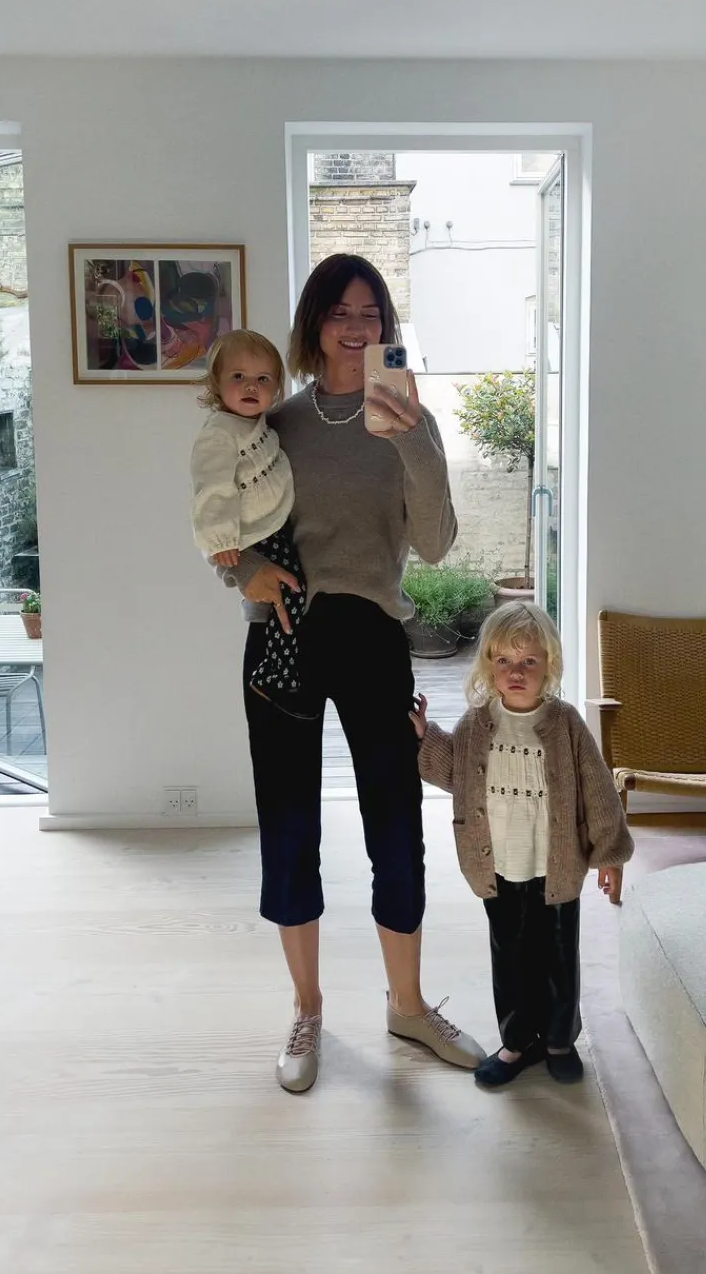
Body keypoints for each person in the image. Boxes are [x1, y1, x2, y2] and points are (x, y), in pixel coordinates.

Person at [224, 253, 484, 1092]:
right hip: (286, 632)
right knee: (290, 828)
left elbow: (436, 542)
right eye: (339, 310)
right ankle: (307, 1009)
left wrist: (411, 441)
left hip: (372, 633)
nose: (355, 324)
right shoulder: (274, 424)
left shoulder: (413, 420)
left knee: (396, 828)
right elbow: (222, 521)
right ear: (315, 323)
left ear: (385, 327)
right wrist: (241, 571)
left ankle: (408, 1005)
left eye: (369, 311)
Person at [411, 602, 634, 1088]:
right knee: (510, 958)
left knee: (558, 959)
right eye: (504, 661)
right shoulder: (476, 724)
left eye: (529, 661)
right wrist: (425, 737)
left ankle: (558, 1042)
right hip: (498, 867)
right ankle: (515, 1043)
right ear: (488, 665)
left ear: (549, 665)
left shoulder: (566, 724)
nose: (516, 672)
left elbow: (598, 790)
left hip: (557, 869)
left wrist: (610, 855)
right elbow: (454, 773)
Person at [190, 329, 311, 716]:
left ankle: (284, 670)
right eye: (238, 376)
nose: (250, 386)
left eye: (263, 379)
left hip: (272, 526)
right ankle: (277, 675)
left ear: (276, 388)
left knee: (291, 594)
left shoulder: (258, 424)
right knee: (289, 594)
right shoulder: (219, 434)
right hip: (256, 534)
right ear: (216, 383)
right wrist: (224, 541)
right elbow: (213, 490)